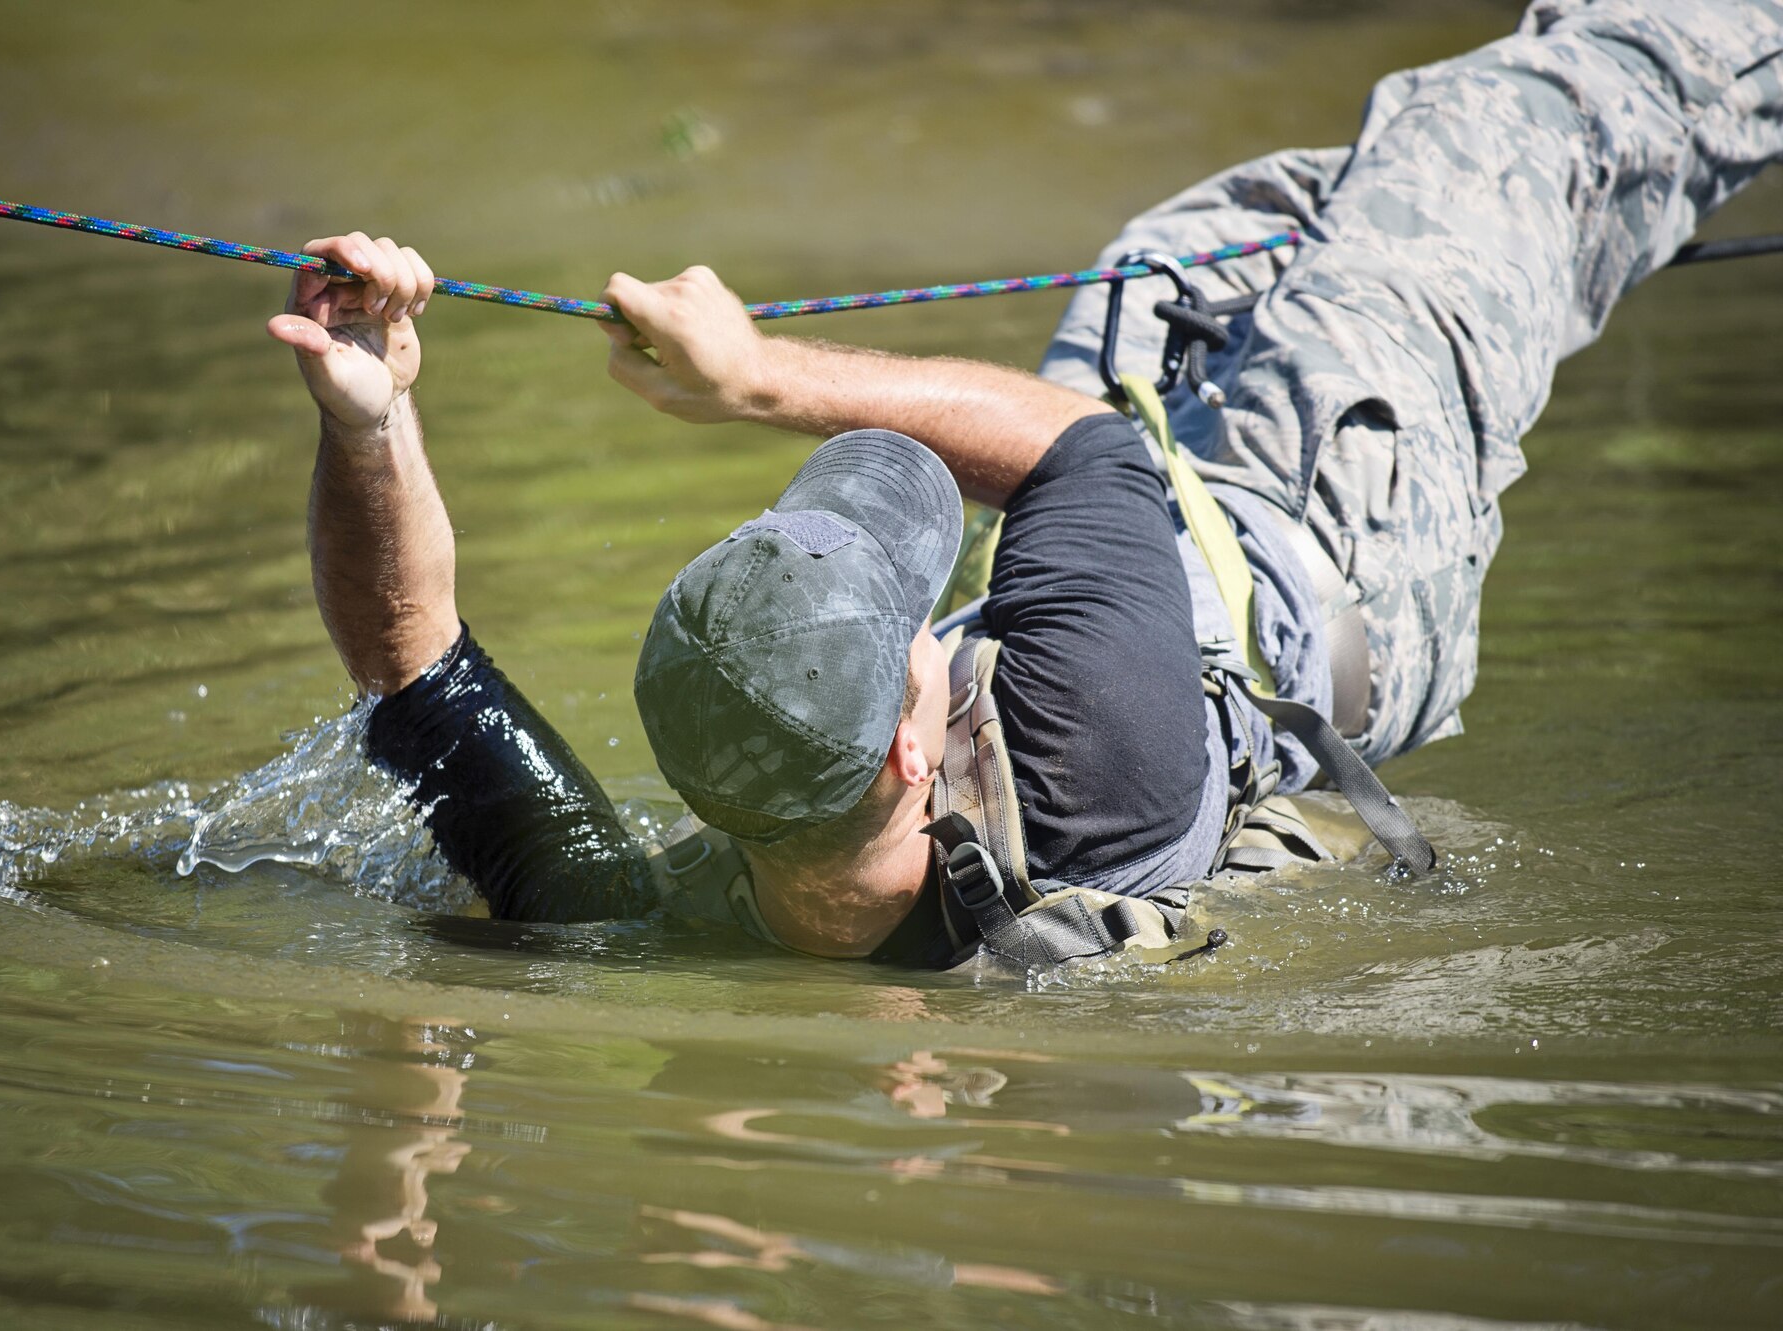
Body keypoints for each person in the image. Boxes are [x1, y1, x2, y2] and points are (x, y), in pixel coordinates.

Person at [265, 1, 1783, 968]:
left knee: (1222, 225)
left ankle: (1446, 179)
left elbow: (411, 659)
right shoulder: (1084, 748)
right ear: (912, 760)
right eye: (920, 633)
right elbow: (1078, 449)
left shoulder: (647, 910)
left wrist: (367, 421)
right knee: (1524, 126)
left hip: (1128, 536)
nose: (939, 632)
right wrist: (756, 384)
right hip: (1334, 520)